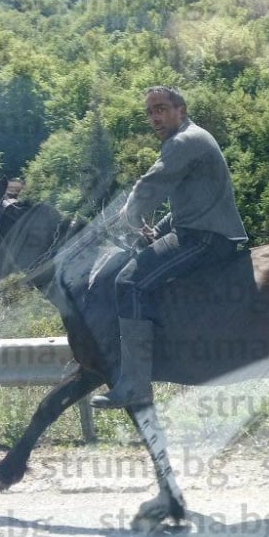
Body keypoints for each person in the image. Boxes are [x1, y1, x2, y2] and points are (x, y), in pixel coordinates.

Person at [90, 86, 248, 408]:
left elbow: (149, 185)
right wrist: (158, 231)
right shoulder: (193, 139)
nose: (154, 117)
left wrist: (124, 217)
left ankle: (134, 384)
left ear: (181, 109)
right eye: (149, 112)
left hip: (204, 237)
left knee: (129, 281)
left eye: (160, 108)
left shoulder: (182, 142)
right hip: (203, 230)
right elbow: (188, 208)